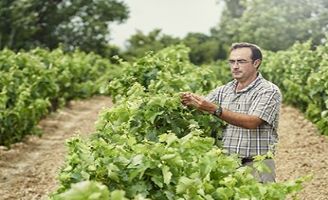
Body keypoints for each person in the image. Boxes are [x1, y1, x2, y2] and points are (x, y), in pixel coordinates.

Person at [180, 42, 282, 183]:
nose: (235, 66)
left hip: (257, 164)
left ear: (256, 63)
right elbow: (203, 106)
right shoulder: (224, 90)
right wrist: (189, 101)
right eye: (232, 62)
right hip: (227, 164)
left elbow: (253, 122)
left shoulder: (268, 91)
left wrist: (215, 109)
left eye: (241, 61)